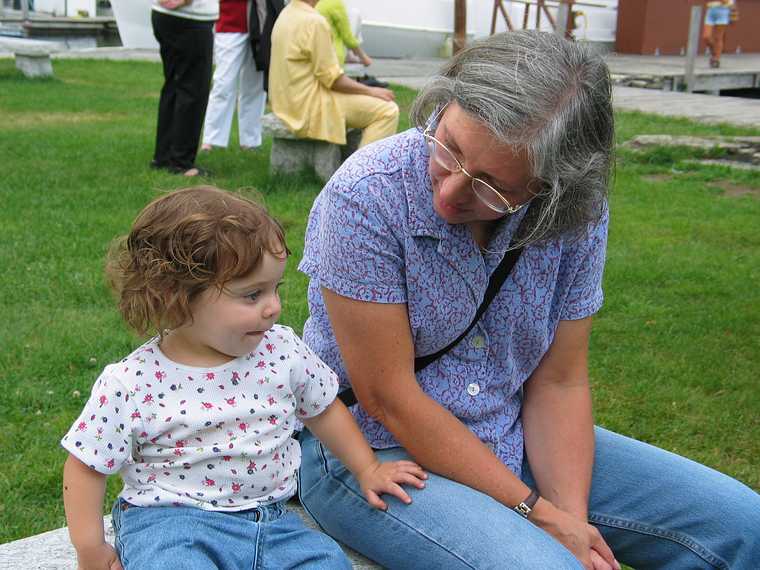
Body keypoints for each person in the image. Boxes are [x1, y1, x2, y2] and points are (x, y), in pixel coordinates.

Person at [296, 30, 760, 569]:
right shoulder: (366, 195)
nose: (448, 195)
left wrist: (570, 518)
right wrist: (539, 516)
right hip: (371, 452)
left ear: (551, 186)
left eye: (493, 187)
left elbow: (559, 380)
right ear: (441, 104)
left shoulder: (575, 210)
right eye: (449, 146)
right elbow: (388, 398)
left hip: (509, 428)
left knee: (744, 527)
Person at [61, 186, 426, 569]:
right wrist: (91, 548)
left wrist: (367, 468)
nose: (274, 307)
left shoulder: (281, 351)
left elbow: (323, 410)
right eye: (252, 295)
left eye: (275, 288)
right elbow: (86, 464)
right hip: (171, 525)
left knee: (328, 563)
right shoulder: (132, 383)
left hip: (273, 523)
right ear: (175, 296)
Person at [268, 0, 398, 149]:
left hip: (285, 104)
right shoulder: (315, 22)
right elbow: (333, 80)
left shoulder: (286, 14)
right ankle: (363, 170)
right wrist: (371, 91)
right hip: (309, 106)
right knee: (387, 111)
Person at [150, 0, 218, 177]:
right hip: (189, 19)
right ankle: (181, 162)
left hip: (166, 16)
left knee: (173, 87)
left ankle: (164, 156)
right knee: (193, 91)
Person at [201, 0, 269, 152]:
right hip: (230, 22)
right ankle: (212, 139)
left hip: (260, 21)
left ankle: (250, 141)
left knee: (255, 85)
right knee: (223, 83)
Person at [703, 0, 737, 68]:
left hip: (723, 11)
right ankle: (715, 53)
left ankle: (716, 59)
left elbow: (729, 2)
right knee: (706, 37)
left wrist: (733, 14)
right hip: (711, 11)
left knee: (718, 37)